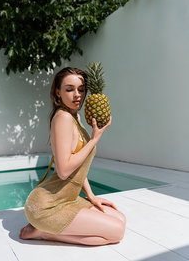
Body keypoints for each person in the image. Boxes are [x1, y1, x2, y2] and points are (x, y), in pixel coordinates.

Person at [19, 67, 126, 246]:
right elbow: (63, 171)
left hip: (67, 199)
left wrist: (91, 195)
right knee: (117, 232)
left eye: (81, 89)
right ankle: (45, 233)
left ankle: (48, 230)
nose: (77, 95)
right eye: (69, 89)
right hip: (46, 206)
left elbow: (78, 165)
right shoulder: (63, 118)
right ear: (58, 92)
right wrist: (93, 140)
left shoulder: (73, 117)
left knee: (120, 219)